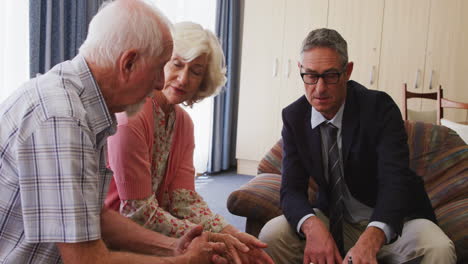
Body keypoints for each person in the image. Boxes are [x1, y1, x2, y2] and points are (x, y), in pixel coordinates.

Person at [0, 1, 232, 263]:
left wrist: (172, 246)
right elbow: (87, 260)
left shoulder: (81, 102)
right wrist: (180, 262)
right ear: (129, 62)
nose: (160, 82)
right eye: (160, 68)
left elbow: (93, 215)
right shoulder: (62, 117)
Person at [258, 28, 457, 264]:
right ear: (300, 70)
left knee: (439, 248)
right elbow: (291, 190)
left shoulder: (379, 108)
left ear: (347, 71)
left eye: (330, 75)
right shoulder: (294, 117)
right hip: (333, 220)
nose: (319, 88)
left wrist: (371, 239)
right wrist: (313, 228)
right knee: (272, 234)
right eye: (310, 75)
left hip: (394, 221)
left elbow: (395, 181)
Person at [104, 21, 274, 264]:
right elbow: (138, 213)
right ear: (160, 61)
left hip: (158, 230)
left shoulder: (182, 122)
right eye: (177, 64)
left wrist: (232, 233)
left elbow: (184, 200)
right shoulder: (130, 117)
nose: (183, 79)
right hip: (118, 240)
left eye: (195, 71)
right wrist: (213, 239)